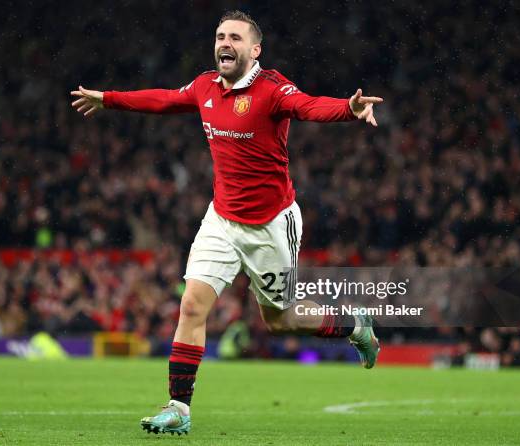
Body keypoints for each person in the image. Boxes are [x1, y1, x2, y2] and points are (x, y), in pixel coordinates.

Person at [71, 10, 383, 436]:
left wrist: (348, 109)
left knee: (280, 319)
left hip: (270, 224)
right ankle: (178, 407)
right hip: (221, 219)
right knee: (192, 305)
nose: (225, 43)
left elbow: (308, 106)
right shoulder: (204, 87)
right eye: (220, 36)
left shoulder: (272, 89)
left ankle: (355, 324)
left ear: (255, 50)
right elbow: (163, 99)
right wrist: (109, 98)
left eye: (235, 37)